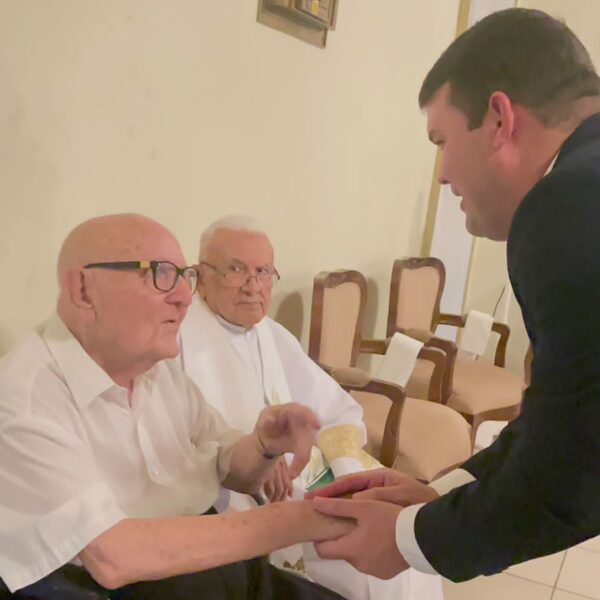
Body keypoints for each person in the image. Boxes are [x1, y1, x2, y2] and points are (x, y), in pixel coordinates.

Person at [308, 7, 600, 583]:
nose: (440, 174)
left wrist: (408, 539)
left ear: (499, 119)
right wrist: (443, 493)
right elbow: (568, 420)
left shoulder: (564, 207)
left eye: (441, 140)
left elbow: (573, 475)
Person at [0, 213, 353, 599]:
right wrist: (293, 521)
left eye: (184, 276)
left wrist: (264, 445)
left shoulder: (156, 368)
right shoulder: (25, 398)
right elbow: (113, 557)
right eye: (160, 274)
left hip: (215, 572)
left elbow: (229, 467)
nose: (185, 297)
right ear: (83, 291)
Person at [178, 215, 444, 600]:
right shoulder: (180, 340)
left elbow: (334, 410)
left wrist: (345, 470)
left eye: (263, 272)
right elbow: (185, 440)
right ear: (202, 276)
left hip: (304, 480)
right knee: (373, 569)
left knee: (405, 544)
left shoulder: (271, 334)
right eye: (236, 270)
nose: (253, 286)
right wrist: (258, 457)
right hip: (239, 500)